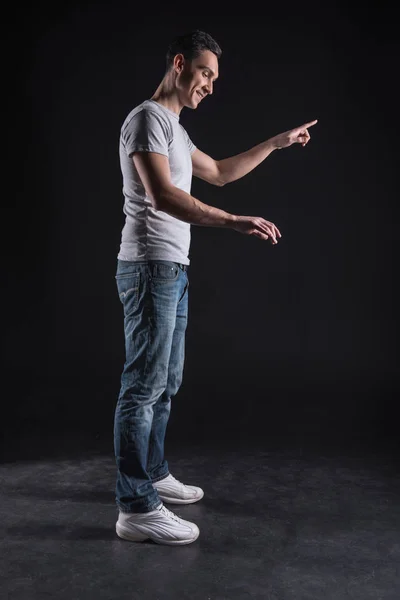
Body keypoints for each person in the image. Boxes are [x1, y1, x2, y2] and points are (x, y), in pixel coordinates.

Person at [114, 29, 317, 546]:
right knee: (142, 386)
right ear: (179, 64)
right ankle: (136, 506)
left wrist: (276, 142)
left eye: (213, 78)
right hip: (149, 267)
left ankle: (154, 473)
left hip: (173, 268)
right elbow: (162, 196)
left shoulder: (176, 131)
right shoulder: (147, 119)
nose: (209, 85)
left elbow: (223, 173)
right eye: (204, 72)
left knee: (166, 381)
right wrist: (232, 222)